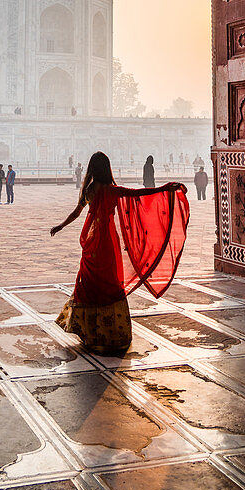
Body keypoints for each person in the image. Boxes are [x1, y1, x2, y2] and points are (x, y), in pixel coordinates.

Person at [50, 151, 189, 355]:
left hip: (91, 240)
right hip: (107, 241)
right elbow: (140, 194)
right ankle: (112, 332)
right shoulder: (113, 190)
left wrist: (60, 226)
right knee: (111, 281)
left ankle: (88, 331)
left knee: (89, 281)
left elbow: (76, 213)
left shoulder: (90, 190)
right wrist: (167, 189)